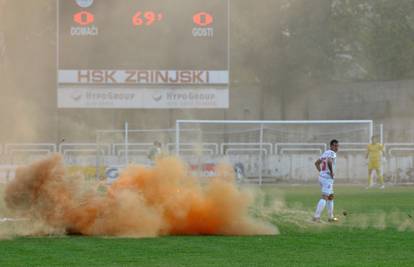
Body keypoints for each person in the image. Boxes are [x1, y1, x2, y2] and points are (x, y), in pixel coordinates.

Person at [313, 139, 339, 222]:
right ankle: (316, 217)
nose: (336, 147)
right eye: (334, 146)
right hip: (327, 178)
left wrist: (321, 172)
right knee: (325, 197)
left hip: (322, 177)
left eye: (337, 146)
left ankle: (331, 217)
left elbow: (316, 163)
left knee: (330, 196)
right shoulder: (332, 153)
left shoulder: (326, 152)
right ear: (331, 146)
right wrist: (331, 172)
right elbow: (329, 161)